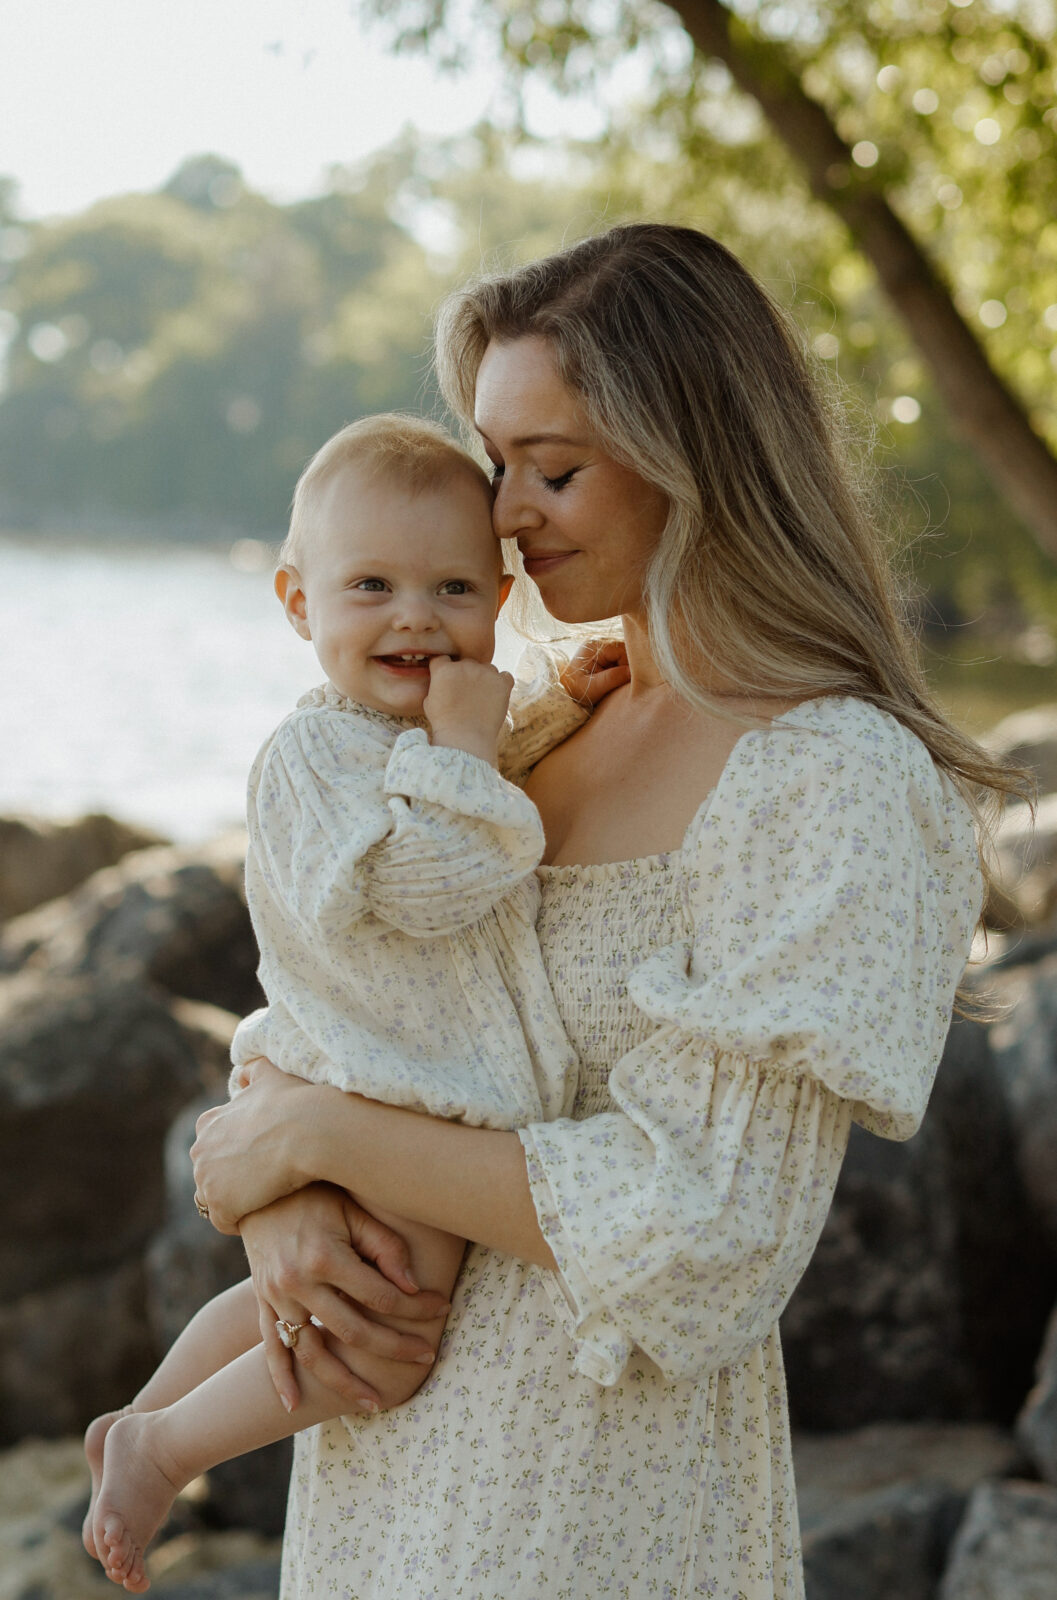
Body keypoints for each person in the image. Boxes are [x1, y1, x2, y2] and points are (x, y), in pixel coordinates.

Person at [187, 224, 1020, 1600]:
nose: (502, 514)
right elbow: (356, 984)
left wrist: (317, 1136)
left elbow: (712, 1232)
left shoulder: (831, 781)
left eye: (553, 469)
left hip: (594, 1497)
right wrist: (286, 1194)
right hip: (379, 1474)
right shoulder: (516, 730)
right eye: (495, 461)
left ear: (695, 457)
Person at [82, 413, 624, 1592]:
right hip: (375, 1079)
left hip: (398, 1079)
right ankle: (167, 1445)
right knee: (384, 1326)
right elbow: (433, 878)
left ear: (501, 595)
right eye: (370, 585)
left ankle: (145, 1414)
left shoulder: (416, 731)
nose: (415, 616)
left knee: (317, 1291)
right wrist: (475, 749)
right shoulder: (308, 757)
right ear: (296, 602)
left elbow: (473, 778)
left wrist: (555, 711)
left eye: (452, 586)